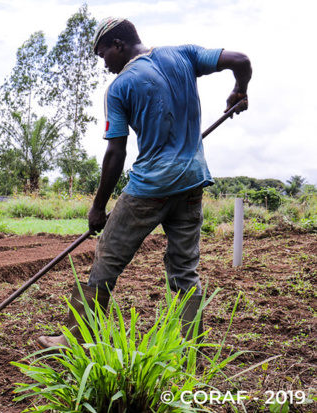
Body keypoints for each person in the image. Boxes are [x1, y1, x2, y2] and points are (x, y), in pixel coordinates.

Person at [38, 17, 252, 349]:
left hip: (149, 188)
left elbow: (116, 152)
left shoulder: (121, 87)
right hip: (192, 182)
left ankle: (76, 340)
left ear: (118, 46)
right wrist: (240, 89)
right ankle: (188, 346)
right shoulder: (183, 54)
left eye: (103, 55)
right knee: (184, 269)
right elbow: (241, 61)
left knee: (107, 258)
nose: (104, 65)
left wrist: (98, 207)